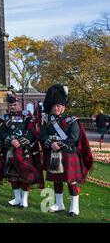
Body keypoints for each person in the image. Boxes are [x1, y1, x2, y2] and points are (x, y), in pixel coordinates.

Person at [41, 84, 93, 217]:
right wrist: (50, 144)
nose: (56, 108)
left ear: (63, 106)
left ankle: (74, 207)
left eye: (58, 106)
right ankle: (59, 204)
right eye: (54, 106)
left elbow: (74, 138)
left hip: (69, 154)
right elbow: (43, 135)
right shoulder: (47, 120)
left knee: (72, 181)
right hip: (54, 155)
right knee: (57, 180)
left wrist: (58, 144)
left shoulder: (72, 120)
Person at [0, 94, 43, 209]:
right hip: (11, 149)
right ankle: (17, 198)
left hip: (24, 150)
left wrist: (21, 142)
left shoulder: (26, 116)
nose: (13, 107)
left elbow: (31, 131)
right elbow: (1, 132)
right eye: (10, 105)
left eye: (15, 104)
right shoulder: (5, 118)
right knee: (13, 175)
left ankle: (24, 200)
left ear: (19, 105)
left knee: (24, 175)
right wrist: (10, 140)